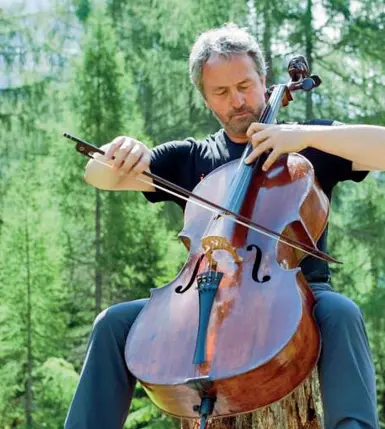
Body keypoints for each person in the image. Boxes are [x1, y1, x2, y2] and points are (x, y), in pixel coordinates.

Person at [65, 23, 384, 429]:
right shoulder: (194, 156)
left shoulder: (307, 143)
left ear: (264, 81)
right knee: (113, 322)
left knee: (342, 311)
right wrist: (120, 152)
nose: (237, 101)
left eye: (245, 86)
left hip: (296, 292)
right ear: (206, 99)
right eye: (221, 92)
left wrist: (302, 136)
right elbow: (101, 175)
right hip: (202, 294)